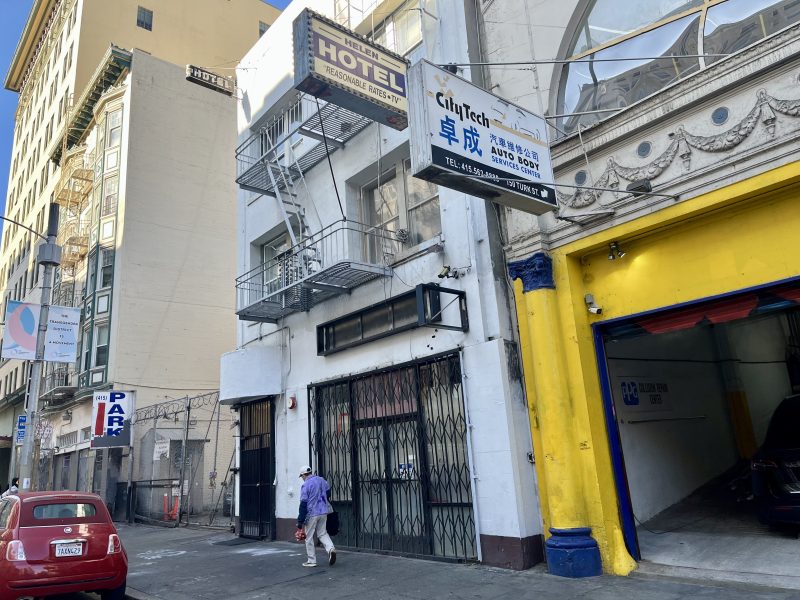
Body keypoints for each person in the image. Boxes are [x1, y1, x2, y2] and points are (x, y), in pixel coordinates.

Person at [296, 465, 336, 567]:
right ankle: (331, 549)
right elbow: (328, 492)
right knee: (322, 533)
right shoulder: (321, 480)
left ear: (304, 475)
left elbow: (303, 504)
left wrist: (300, 521)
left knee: (308, 537)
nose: (302, 479)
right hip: (324, 511)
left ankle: (311, 561)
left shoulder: (306, 485)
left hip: (311, 514)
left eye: (302, 476)